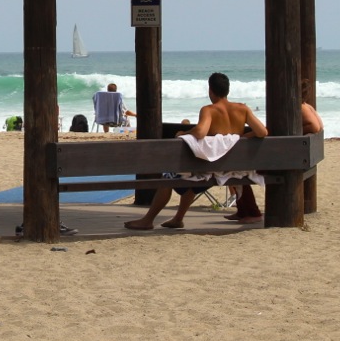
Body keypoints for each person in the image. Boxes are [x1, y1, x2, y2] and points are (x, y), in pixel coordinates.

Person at [125, 73, 267, 231]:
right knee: (193, 180)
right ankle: (178, 219)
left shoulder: (209, 109)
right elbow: (262, 131)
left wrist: (183, 133)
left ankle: (148, 220)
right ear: (227, 90)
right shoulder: (243, 109)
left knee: (167, 178)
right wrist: (239, 136)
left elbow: (200, 132)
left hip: (209, 167)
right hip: (232, 169)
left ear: (210, 91)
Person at [226, 101, 324, 223]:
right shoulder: (307, 107)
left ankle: (253, 212)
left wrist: (291, 132)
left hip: (286, 161)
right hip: (297, 157)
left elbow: (314, 127)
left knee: (238, 169)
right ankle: (243, 211)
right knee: (238, 168)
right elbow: (320, 127)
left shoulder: (301, 108)